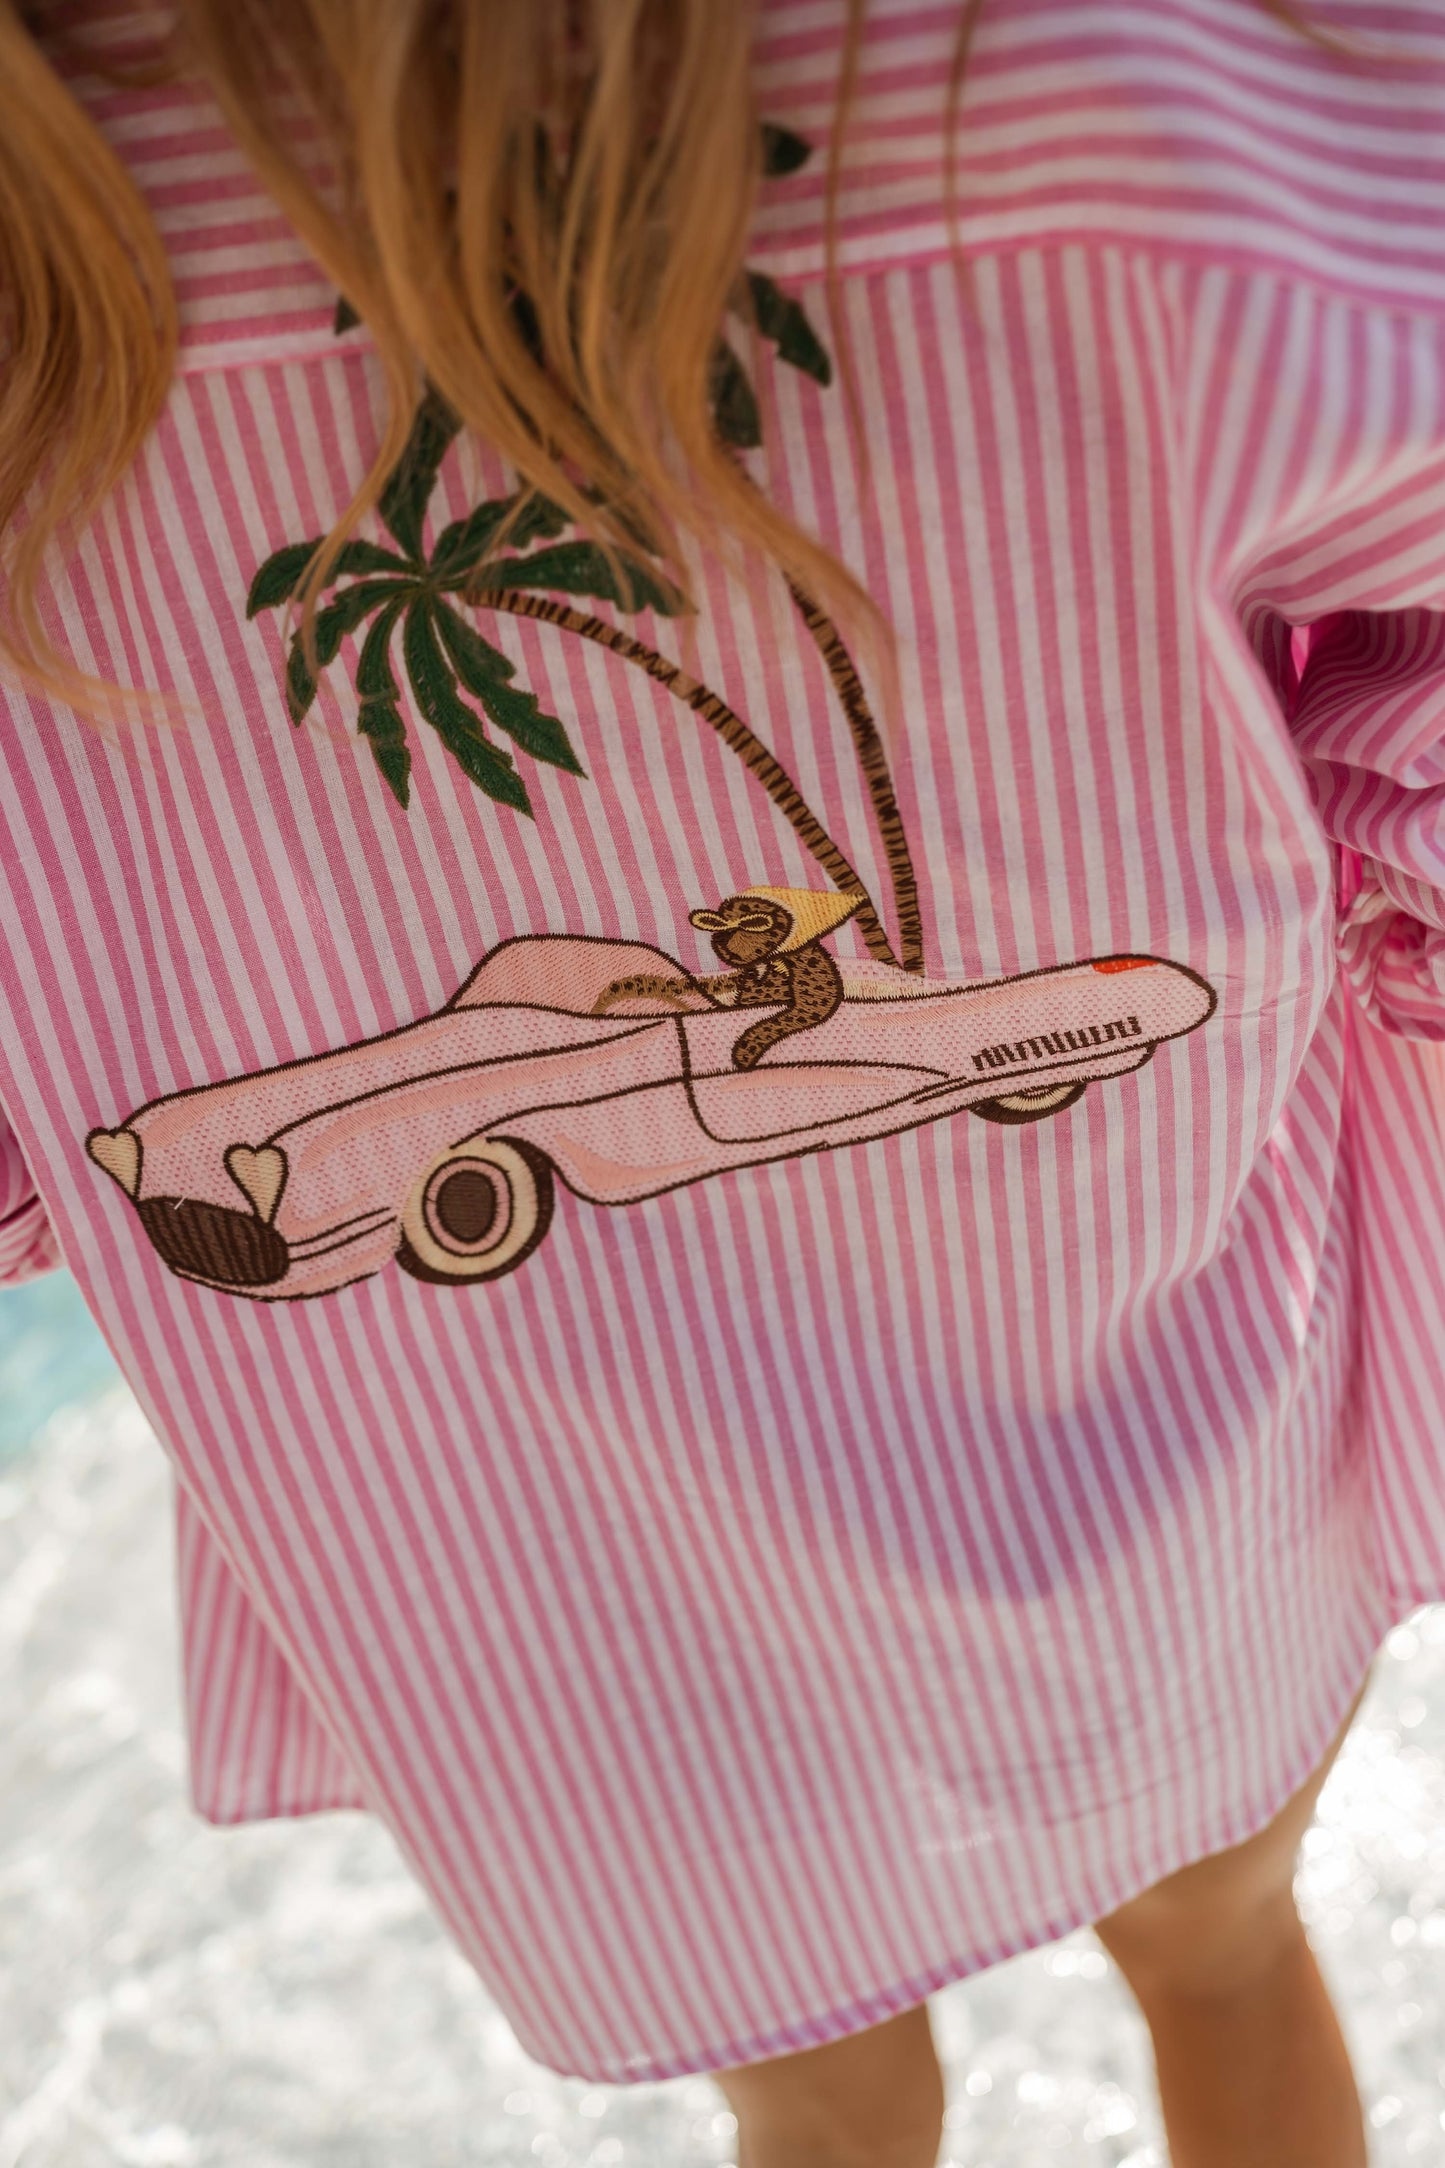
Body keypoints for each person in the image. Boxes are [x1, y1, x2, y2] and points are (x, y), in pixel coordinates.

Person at [1, 2, 1441, 2163]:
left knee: (829, 2120)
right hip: (1158, 1449)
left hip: (556, 1620)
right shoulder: (1119, 92)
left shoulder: (42, 305)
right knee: (1227, 1949)